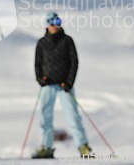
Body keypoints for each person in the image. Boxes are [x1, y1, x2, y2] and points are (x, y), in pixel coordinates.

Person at [33, 12, 95, 159]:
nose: (55, 25)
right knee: (44, 117)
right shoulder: (41, 43)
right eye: (52, 22)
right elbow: (37, 63)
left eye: (58, 21)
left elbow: (74, 62)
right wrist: (40, 79)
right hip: (47, 85)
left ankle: (83, 146)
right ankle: (46, 147)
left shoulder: (67, 40)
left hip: (64, 85)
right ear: (47, 24)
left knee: (73, 116)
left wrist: (69, 82)